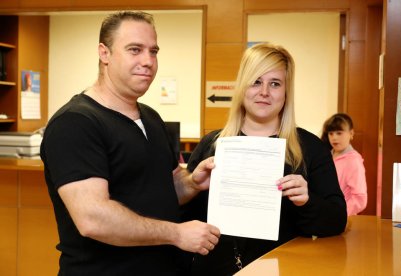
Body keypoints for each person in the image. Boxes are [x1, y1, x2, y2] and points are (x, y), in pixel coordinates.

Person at [40, 11, 220, 275]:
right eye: (135, 50)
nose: (148, 61)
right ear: (105, 53)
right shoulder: (75, 123)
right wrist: (177, 234)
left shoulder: (151, 117)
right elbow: (93, 218)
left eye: (153, 51)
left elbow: (161, 188)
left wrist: (192, 182)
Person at [181, 43, 347, 275]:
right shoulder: (212, 145)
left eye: (275, 84)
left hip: (285, 268)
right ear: (242, 87)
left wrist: (306, 201)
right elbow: (184, 221)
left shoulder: (309, 148)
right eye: (256, 81)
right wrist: (192, 187)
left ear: (286, 91)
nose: (264, 92)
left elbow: (337, 221)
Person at [321, 113, 367, 216]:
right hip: (324, 215)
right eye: (331, 133)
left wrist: (338, 214)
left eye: (339, 133)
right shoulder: (326, 156)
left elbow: (360, 199)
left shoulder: (353, 160)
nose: (334, 138)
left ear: (351, 133)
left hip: (341, 218)